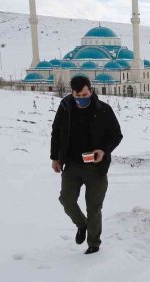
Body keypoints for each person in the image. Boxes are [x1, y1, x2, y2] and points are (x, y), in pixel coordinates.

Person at [50, 76, 123, 254]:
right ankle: (81, 225)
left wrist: (103, 150)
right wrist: (55, 157)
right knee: (66, 200)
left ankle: (93, 243)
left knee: (94, 207)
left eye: (85, 94)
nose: (82, 98)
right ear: (72, 93)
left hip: (96, 167)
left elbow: (116, 135)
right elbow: (56, 132)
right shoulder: (65, 107)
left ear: (91, 90)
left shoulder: (103, 110)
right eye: (78, 95)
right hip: (72, 164)